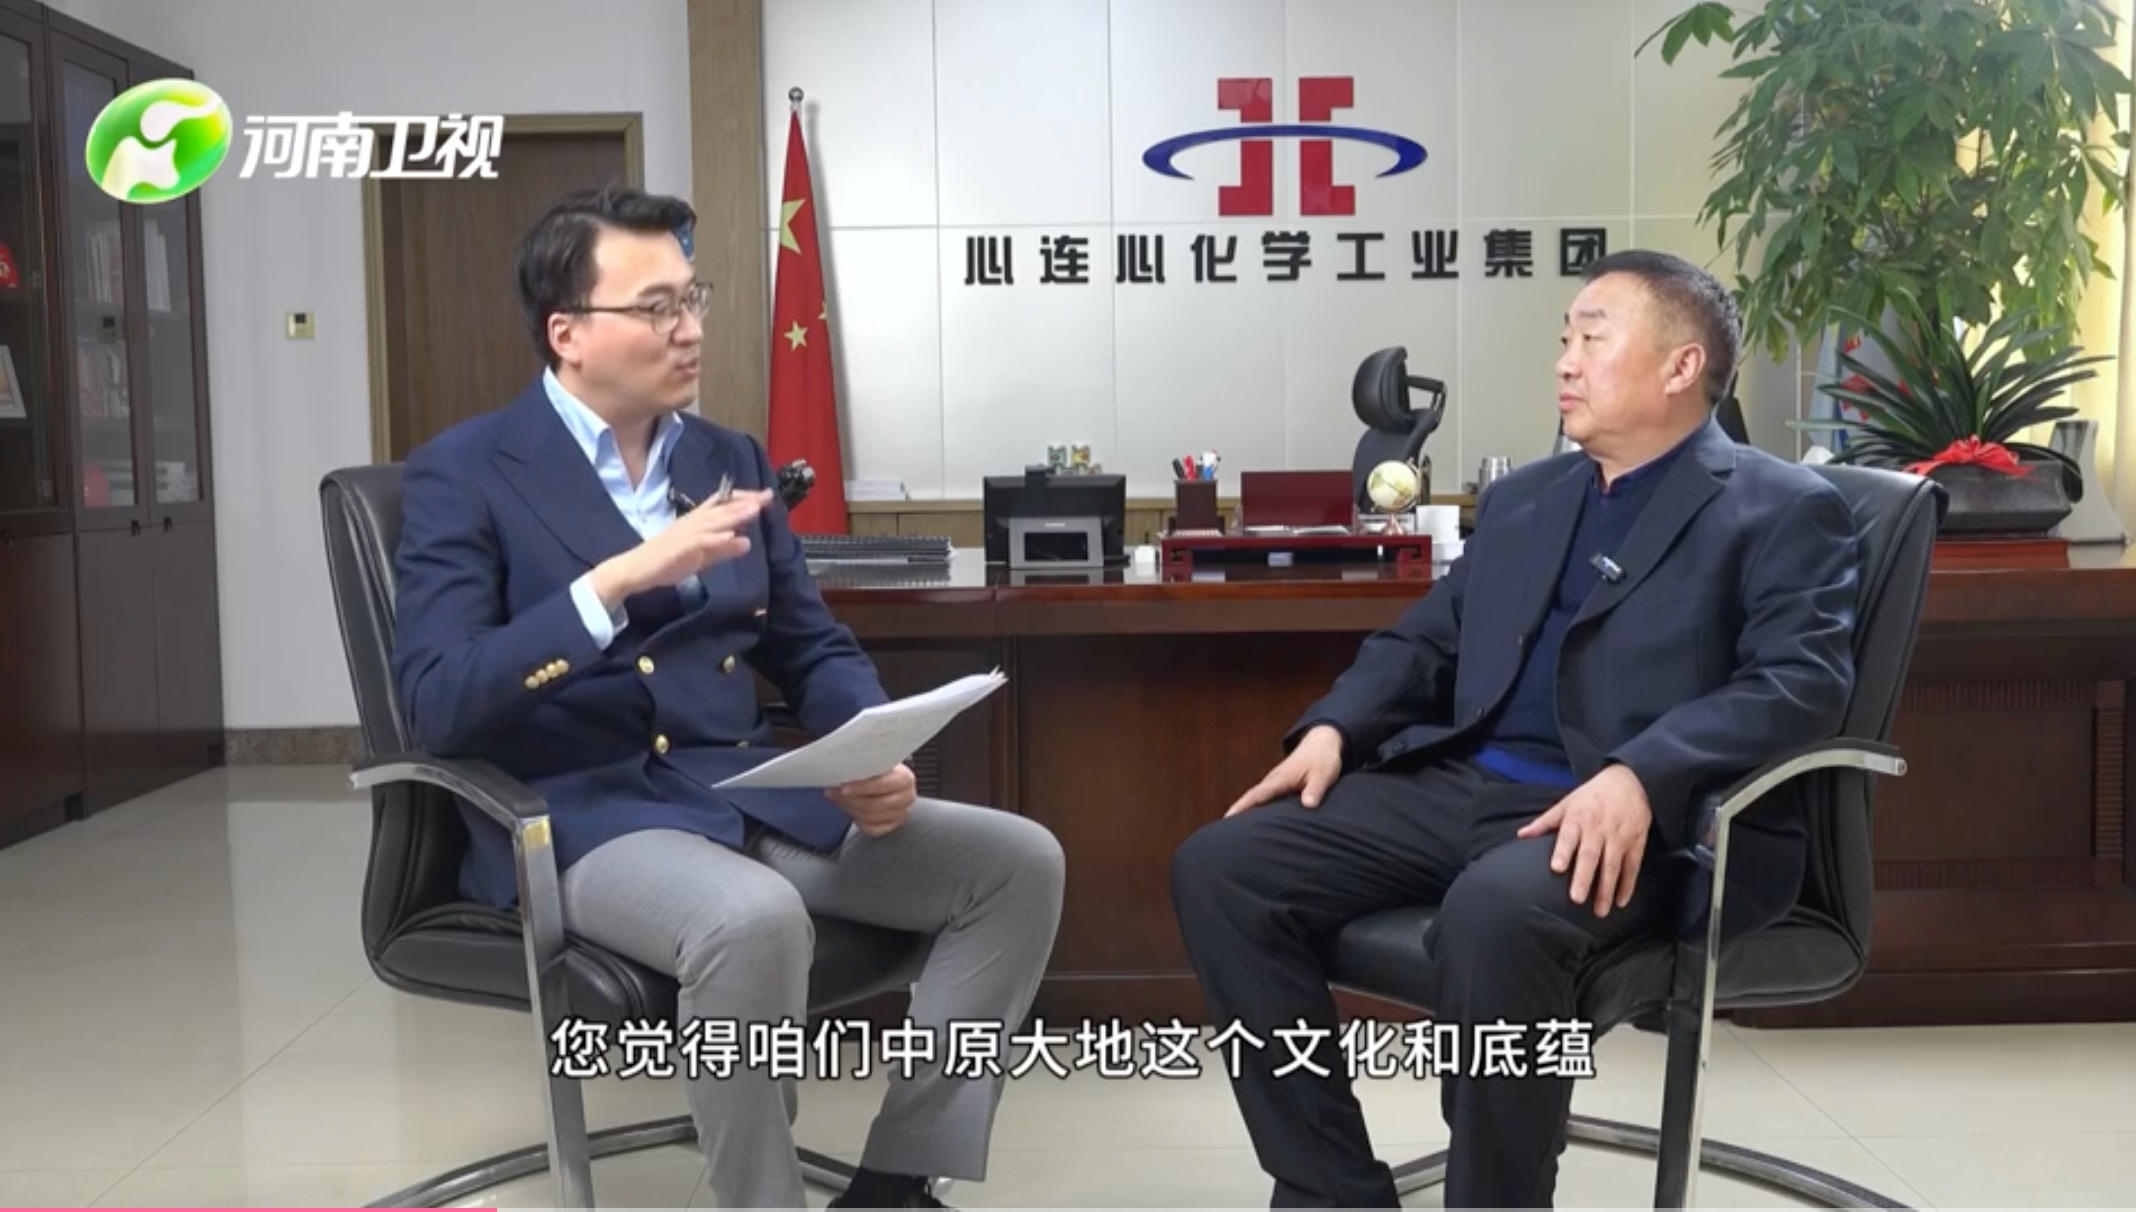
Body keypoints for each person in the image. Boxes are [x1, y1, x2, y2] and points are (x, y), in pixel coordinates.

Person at [390, 184, 1065, 1210]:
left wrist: (869, 746)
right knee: (752, 919)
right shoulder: (466, 471)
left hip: (741, 789)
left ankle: (895, 1184)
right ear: (567, 333)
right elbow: (439, 702)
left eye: (693, 298)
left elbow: (809, 644)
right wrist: (613, 583)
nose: (691, 328)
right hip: (582, 814)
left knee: (1016, 864)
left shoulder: (726, 458)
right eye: (656, 307)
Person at [1171, 250, 1860, 1207]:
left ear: (1681, 366)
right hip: (1466, 785)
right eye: (1564, 340)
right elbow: (1426, 641)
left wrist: (1642, 773)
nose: (1565, 363)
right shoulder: (1529, 498)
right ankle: (1332, 1192)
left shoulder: (1781, 508)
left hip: (1648, 821)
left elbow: (1800, 683)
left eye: (1594, 339)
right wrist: (1334, 730)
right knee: (1223, 866)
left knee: (1493, 913)